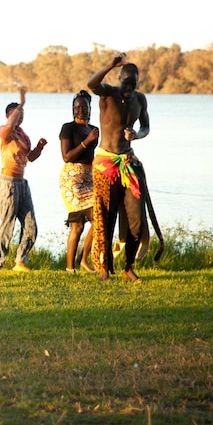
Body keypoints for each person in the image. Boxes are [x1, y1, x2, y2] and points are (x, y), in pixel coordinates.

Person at [87, 53, 151, 282]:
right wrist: (110, 65)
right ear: (120, 79)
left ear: (137, 83)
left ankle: (128, 266)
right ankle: (105, 265)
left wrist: (136, 135)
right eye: (126, 83)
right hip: (105, 163)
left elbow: (146, 127)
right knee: (106, 216)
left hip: (127, 162)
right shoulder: (108, 94)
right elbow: (91, 84)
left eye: (133, 85)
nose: (129, 88)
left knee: (136, 219)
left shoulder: (140, 100)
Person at [0, 87, 47, 272]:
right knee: (8, 223)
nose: (20, 116)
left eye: (22, 113)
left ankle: (20, 262)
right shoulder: (4, 131)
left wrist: (39, 147)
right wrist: (21, 103)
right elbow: (8, 126)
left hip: (22, 183)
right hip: (7, 182)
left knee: (30, 224)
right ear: (9, 116)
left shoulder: (23, 135)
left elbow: (30, 158)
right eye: (16, 114)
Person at [59, 90, 100, 273]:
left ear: (90, 108)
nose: (80, 110)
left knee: (100, 219)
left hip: (89, 178)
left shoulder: (92, 129)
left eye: (84, 107)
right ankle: (70, 268)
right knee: (77, 225)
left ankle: (83, 259)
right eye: (77, 107)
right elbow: (66, 157)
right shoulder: (68, 128)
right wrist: (87, 141)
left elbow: (92, 157)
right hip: (72, 180)